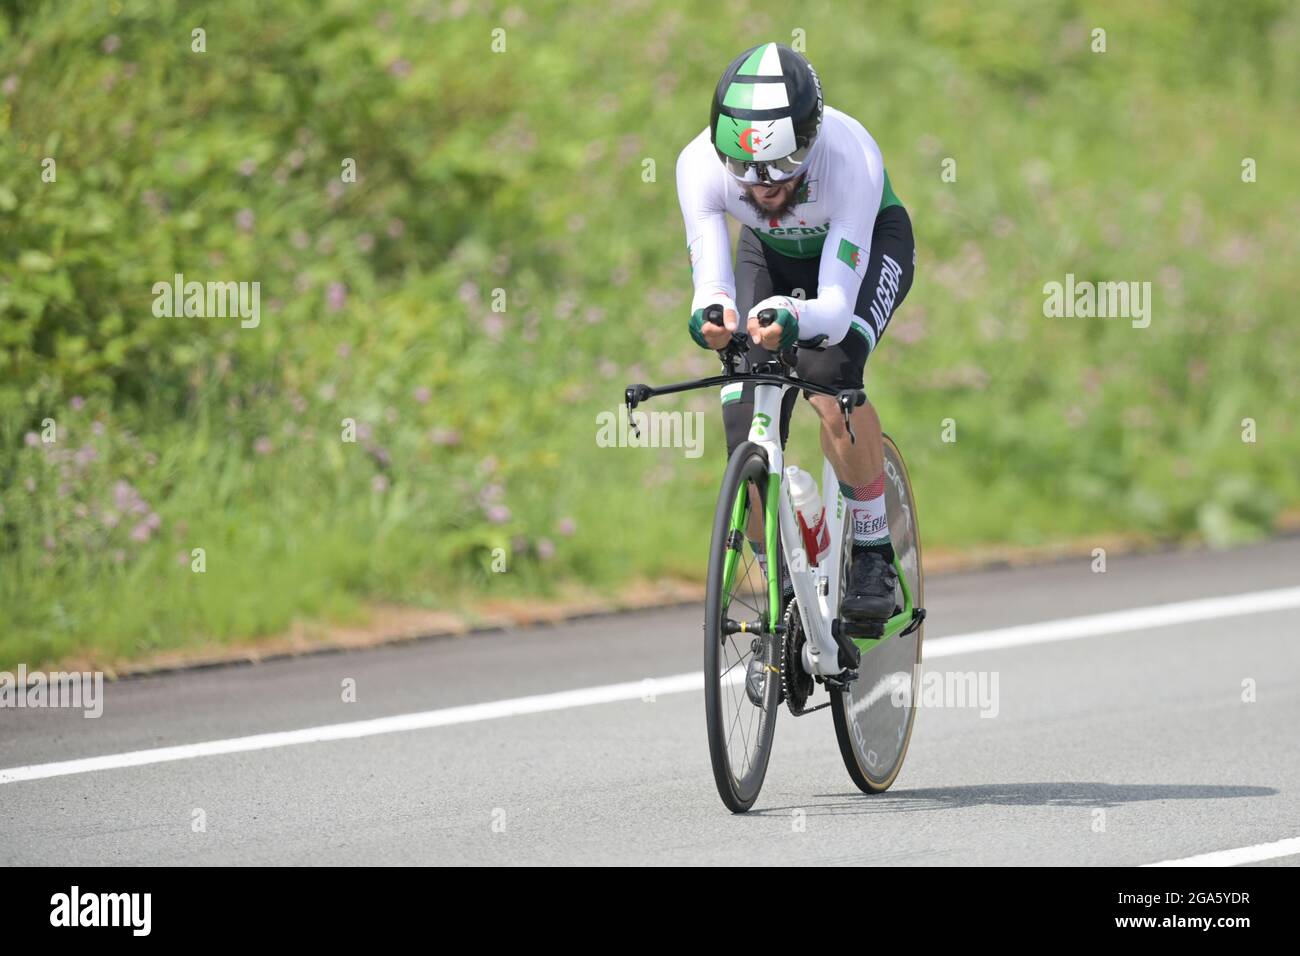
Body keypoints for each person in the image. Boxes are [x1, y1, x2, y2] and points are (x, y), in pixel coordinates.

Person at [675, 41, 915, 633]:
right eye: (744, 168)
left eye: (783, 166)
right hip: (771, 255)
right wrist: (711, 316)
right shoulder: (698, 164)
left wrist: (790, 314)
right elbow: (712, 284)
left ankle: (873, 550)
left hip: (863, 250)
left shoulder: (851, 157)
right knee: (742, 413)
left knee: (828, 377)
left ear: (810, 140)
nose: (763, 187)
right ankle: (781, 584)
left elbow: (832, 310)